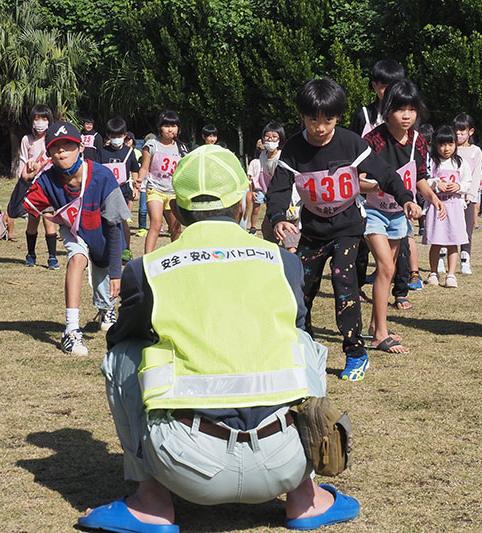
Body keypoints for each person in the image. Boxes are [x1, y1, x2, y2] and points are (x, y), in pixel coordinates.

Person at [78, 144, 360, 533]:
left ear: (174, 209)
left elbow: (124, 338)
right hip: (286, 459)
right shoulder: (284, 261)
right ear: (244, 203)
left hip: (186, 465)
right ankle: (304, 497)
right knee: (303, 342)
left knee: (123, 354)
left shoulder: (147, 269)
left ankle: (151, 502)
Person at [266, 77, 422, 381]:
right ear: (302, 116)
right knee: (302, 290)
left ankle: (355, 352)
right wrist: (277, 218)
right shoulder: (294, 148)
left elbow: (386, 174)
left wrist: (405, 198)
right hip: (312, 230)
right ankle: (305, 346)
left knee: (343, 282)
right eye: (313, 119)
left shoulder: (352, 142)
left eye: (329, 119)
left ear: (338, 118)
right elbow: (278, 190)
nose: (321, 127)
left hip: (347, 228)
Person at [24, 122, 131, 354]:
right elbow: (15, 211)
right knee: (78, 258)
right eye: (56, 147)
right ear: (49, 153)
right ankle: (71, 330)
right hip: (72, 229)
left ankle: (105, 308)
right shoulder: (47, 178)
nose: (62, 151)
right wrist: (26, 178)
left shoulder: (102, 176)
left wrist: (116, 273)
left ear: (80, 147)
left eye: (68, 146)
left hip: (101, 229)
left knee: (102, 268)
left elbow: (114, 227)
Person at [361, 79, 443, 352]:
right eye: (400, 110)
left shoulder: (419, 141)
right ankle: (379, 335)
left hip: (398, 214)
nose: (407, 116)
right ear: (387, 110)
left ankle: (375, 325)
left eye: (412, 109)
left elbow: (419, 177)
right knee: (385, 267)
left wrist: (432, 197)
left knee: (391, 269)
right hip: (372, 211)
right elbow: (355, 181)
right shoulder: (372, 140)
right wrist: (379, 185)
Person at [351, 60, 407, 297]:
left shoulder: (405, 115)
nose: (390, 92)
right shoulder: (364, 115)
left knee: (401, 241)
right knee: (361, 242)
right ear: (374, 86)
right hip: (367, 190)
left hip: (396, 190)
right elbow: (353, 152)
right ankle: (358, 286)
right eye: (385, 86)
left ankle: (401, 291)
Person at [6, 104, 59, 268]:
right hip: (32, 187)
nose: (40, 122)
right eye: (37, 119)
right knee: (33, 223)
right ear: (32, 121)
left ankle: (52, 257)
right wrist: (24, 181)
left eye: (44, 119)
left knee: (49, 221)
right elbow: (23, 160)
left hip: (49, 186)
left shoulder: (53, 138)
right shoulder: (26, 140)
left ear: (50, 121)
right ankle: (31, 254)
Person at [424, 125, 472, 288]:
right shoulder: (431, 162)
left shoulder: (460, 163)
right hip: (437, 206)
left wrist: (459, 187)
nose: (446, 149)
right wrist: (436, 185)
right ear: (436, 145)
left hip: (455, 207)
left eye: (450, 144)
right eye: (442, 145)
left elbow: (468, 182)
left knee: (454, 240)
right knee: (436, 241)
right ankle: (433, 272)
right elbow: (424, 181)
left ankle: (451, 274)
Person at [136, 110, 189, 253]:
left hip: (174, 192)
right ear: (160, 127)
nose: (170, 129)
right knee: (156, 222)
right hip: (155, 190)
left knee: (175, 226)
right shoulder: (152, 145)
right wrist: (139, 180)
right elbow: (144, 167)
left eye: (174, 125)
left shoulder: (182, 148)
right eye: (166, 125)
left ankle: (176, 255)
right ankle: (148, 258)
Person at [99, 116, 141, 263]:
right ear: (108, 136)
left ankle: (126, 249)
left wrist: (136, 187)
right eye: (113, 136)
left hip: (123, 190)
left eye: (119, 136)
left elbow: (135, 169)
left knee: (122, 220)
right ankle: (105, 249)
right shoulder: (102, 152)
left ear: (125, 135)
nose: (116, 139)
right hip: (105, 192)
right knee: (105, 221)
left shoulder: (129, 152)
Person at [454, 114, 482, 275]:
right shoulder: (450, 148)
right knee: (448, 229)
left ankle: (465, 259)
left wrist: (470, 196)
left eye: (462, 131)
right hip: (450, 197)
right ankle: (442, 258)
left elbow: (476, 174)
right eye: (456, 131)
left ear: (470, 131)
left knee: (467, 230)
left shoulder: (475, 151)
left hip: (467, 198)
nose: (459, 135)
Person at [248, 122, 285, 236]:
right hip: (269, 195)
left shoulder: (281, 156)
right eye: (268, 136)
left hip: (281, 197)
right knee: (267, 231)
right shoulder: (263, 155)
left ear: (280, 139)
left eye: (274, 137)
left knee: (284, 235)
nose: (270, 140)